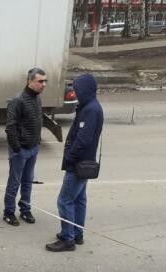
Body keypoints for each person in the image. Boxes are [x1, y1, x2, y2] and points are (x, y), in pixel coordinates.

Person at [46, 73, 103, 252]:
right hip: (83, 163)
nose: (76, 93)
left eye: (78, 90)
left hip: (79, 164)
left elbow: (83, 140)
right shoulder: (89, 106)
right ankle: (77, 233)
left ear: (85, 90)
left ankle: (68, 238)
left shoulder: (91, 110)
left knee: (64, 201)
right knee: (79, 199)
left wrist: (69, 156)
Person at [2, 67, 47, 226]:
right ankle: (8, 212)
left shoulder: (37, 98)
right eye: (40, 81)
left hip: (33, 148)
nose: (44, 84)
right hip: (20, 151)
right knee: (14, 182)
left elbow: (37, 121)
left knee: (28, 181)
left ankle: (25, 210)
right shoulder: (18, 100)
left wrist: (37, 141)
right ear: (30, 81)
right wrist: (17, 148)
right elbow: (10, 127)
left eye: (45, 81)